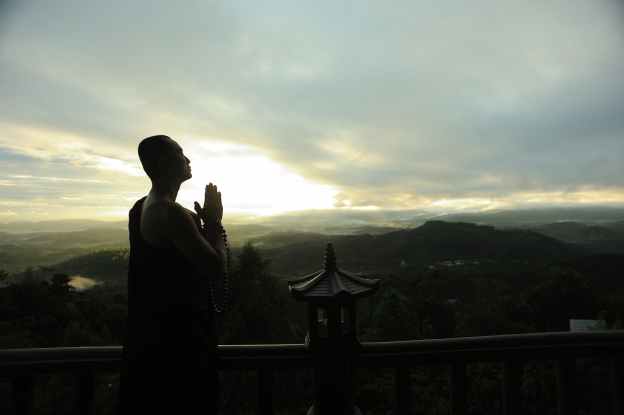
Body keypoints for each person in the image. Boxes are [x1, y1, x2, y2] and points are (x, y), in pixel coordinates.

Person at [119, 134, 228, 414]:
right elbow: (215, 268)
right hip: (179, 350)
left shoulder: (141, 208)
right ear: (164, 162)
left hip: (148, 344)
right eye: (180, 153)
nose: (187, 159)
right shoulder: (170, 214)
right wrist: (214, 223)